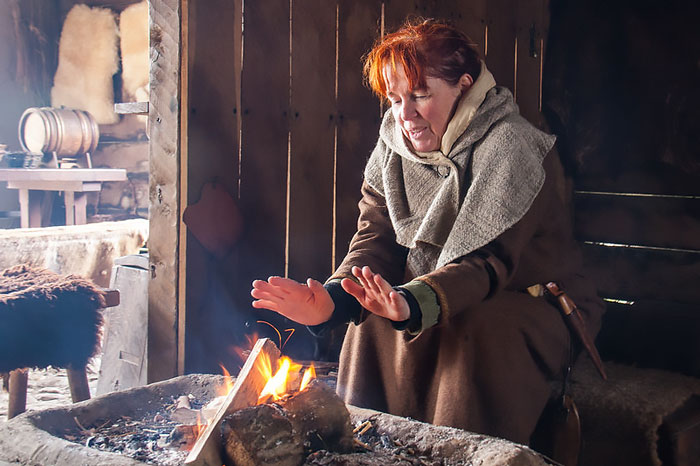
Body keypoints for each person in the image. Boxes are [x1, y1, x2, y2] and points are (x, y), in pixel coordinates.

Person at [251, 18, 604, 445]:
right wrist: (334, 300)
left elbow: (487, 261)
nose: (407, 115)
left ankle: (459, 453)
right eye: (396, 98)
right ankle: (364, 448)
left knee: (468, 325)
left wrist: (412, 303)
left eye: (420, 95)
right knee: (369, 321)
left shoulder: (513, 147)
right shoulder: (392, 146)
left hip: (531, 302)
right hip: (427, 294)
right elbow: (374, 238)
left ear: (464, 86)